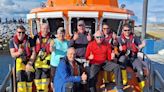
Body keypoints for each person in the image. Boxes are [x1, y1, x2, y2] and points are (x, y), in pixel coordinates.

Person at [117, 23, 146, 90]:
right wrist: (119, 48)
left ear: (131, 30)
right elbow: (116, 47)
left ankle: (142, 88)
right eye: (125, 30)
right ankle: (124, 81)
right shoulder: (119, 39)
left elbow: (140, 45)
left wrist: (142, 45)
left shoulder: (135, 37)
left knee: (141, 71)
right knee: (121, 60)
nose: (127, 32)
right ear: (122, 30)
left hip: (134, 58)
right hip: (124, 58)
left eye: (128, 30)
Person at [9, 25, 35, 92]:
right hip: (19, 64)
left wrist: (30, 63)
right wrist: (19, 53)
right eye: (19, 32)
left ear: (25, 32)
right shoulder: (12, 42)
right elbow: (12, 54)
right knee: (20, 79)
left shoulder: (30, 40)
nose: (21, 34)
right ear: (16, 32)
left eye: (23, 32)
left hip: (29, 61)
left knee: (29, 77)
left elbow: (34, 53)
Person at [50, 27, 69, 91]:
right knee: (53, 80)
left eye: (63, 33)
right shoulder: (54, 41)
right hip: (55, 64)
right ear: (57, 34)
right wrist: (51, 46)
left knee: (63, 79)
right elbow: (52, 49)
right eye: (60, 33)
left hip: (63, 64)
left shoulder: (67, 42)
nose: (61, 35)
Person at [34, 23, 52, 92]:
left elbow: (52, 51)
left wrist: (49, 59)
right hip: (37, 62)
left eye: (46, 28)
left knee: (45, 78)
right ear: (41, 29)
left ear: (48, 29)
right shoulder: (35, 38)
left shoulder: (52, 38)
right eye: (43, 28)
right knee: (37, 78)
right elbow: (32, 50)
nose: (45, 30)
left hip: (46, 62)